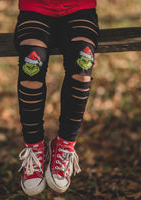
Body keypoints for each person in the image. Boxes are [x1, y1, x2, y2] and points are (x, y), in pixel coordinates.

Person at [14, 0, 99, 196]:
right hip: (35, 9)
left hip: (80, 9)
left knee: (82, 64)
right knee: (31, 66)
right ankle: (34, 146)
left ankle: (65, 144)